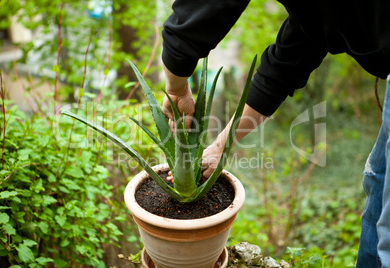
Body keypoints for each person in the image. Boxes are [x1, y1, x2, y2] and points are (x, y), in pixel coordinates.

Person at [160, 0, 390, 267]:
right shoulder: (319, 14)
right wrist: (219, 147)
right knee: (378, 179)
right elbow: (284, 66)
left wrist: (176, 88)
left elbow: (204, 10)